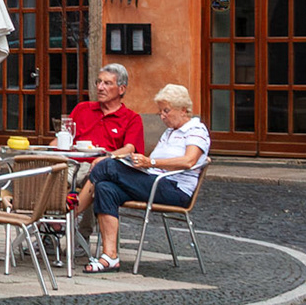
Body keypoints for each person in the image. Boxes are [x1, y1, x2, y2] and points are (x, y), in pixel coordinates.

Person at [82, 83, 210, 274]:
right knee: (105, 188)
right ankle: (110, 256)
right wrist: (136, 163)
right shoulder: (170, 132)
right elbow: (153, 164)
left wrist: (150, 162)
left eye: (166, 111)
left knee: (106, 165)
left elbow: (189, 161)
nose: (162, 116)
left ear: (183, 110)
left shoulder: (196, 130)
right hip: (155, 181)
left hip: (175, 189)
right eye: (160, 112)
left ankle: (70, 214)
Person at [68, 63, 146, 158]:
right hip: (73, 163)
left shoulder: (132, 118)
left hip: (107, 168)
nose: (100, 88)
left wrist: (105, 160)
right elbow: (62, 139)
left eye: (107, 83)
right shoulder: (82, 108)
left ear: (121, 89)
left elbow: (129, 149)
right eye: (99, 82)